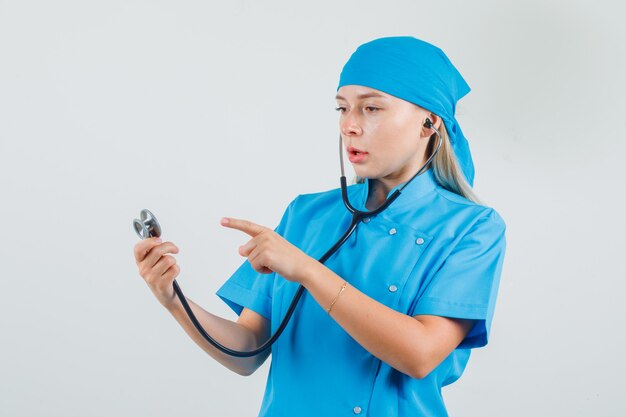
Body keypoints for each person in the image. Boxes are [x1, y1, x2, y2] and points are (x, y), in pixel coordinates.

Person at [133, 36, 507, 417]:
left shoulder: (472, 228)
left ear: (429, 122)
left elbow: (420, 354)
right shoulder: (306, 214)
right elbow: (246, 350)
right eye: (342, 108)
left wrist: (309, 271)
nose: (350, 126)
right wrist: (173, 299)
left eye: (372, 108)